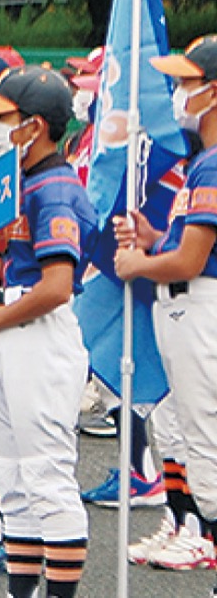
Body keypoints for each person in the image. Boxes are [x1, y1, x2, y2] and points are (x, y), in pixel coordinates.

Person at [0, 65, 98, 598]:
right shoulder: (17, 180)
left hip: (37, 331)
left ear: (34, 126)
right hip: (7, 327)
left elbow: (58, 285)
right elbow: (1, 251)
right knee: (13, 481)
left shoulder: (55, 185)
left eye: (5, 119)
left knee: (47, 478)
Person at [115, 35, 217, 580]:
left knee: (208, 442)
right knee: (184, 432)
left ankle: (202, 536)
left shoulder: (214, 163)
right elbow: (183, 243)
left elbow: (192, 259)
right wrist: (155, 237)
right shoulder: (203, 161)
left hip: (200, 306)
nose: (178, 93)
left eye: (187, 82)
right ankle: (188, 527)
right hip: (184, 308)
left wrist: (140, 265)